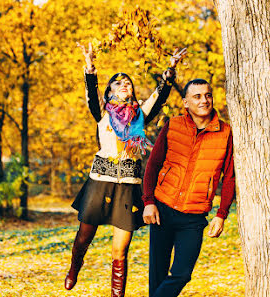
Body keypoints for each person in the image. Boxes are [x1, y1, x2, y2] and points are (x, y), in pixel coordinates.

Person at [64, 42, 187, 297]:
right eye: (118, 83)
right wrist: (89, 66)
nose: (124, 85)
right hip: (99, 182)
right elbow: (90, 92)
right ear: (109, 91)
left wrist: (171, 69)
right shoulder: (103, 114)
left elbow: (160, 95)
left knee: (120, 251)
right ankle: (75, 265)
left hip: (128, 188)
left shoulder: (140, 115)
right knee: (84, 237)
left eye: (127, 82)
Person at [142, 79, 235, 297]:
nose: (204, 100)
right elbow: (153, 166)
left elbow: (229, 177)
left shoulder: (225, 133)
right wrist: (148, 202)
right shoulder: (173, 125)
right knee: (157, 275)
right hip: (162, 210)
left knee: (182, 274)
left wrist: (221, 215)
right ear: (185, 102)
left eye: (208, 95)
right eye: (197, 96)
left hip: (193, 217)